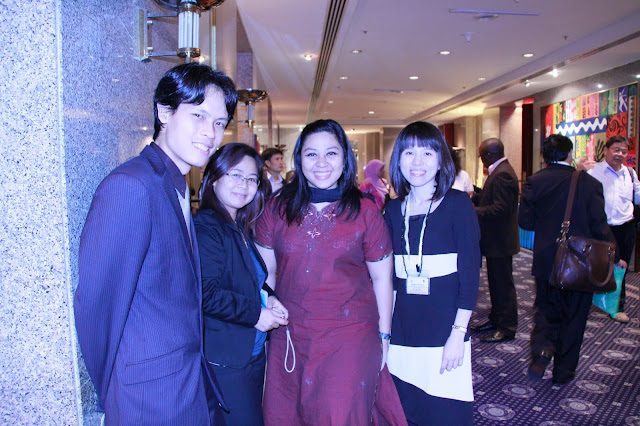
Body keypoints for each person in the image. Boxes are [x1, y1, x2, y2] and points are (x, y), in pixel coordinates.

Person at [74, 63, 237, 424]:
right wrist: (115, 392)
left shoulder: (174, 183)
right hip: (148, 398)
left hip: (186, 384)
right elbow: (98, 304)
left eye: (219, 123)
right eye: (198, 116)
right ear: (164, 112)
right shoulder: (131, 186)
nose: (210, 133)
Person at [255, 119, 406, 425]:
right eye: (311, 154)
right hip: (291, 332)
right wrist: (266, 310)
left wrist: (384, 336)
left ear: (345, 158)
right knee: (288, 414)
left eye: (331, 153)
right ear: (299, 159)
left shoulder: (365, 211)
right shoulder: (276, 209)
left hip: (350, 334)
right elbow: (265, 273)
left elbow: (382, 278)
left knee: (340, 413)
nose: (321, 163)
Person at [384, 121, 480, 425]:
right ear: (398, 159)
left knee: (444, 412)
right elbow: (390, 281)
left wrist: (458, 334)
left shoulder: (457, 204)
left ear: (440, 160)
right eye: (409, 152)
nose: (417, 162)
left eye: (427, 153)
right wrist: (384, 334)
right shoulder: (392, 210)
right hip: (403, 328)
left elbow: (470, 275)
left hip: (444, 329)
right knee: (404, 410)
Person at [194, 143, 289, 425]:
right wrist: (256, 314)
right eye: (235, 175)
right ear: (214, 178)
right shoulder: (207, 227)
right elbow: (205, 293)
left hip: (249, 354)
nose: (243, 185)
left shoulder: (238, 225)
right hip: (226, 361)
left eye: (251, 179)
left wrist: (269, 297)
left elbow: (247, 278)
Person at [519, 134, 618, 384]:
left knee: (546, 309)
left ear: (544, 156)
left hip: (547, 260)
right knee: (575, 317)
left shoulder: (535, 181)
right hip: (581, 261)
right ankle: (563, 372)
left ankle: (543, 350)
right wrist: (614, 254)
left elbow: (526, 222)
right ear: (570, 155)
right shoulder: (590, 184)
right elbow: (599, 225)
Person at [471, 138, 520, 343]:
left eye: (482, 156)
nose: (481, 160)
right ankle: (496, 319)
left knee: (503, 286)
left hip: (500, 241)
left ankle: (506, 327)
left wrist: (474, 211)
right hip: (496, 242)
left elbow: (501, 209)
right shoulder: (500, 171)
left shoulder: (502, 174)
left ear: (490, 155)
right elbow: (492, 200)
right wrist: (476, 196)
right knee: (496, 284)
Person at [586, 135, 640, 323]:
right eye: (616, 150)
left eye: (624, 151)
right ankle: (584, 303)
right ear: (606, 150)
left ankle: (617, 308)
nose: (620, 154)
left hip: (625, 227)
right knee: (594, 266)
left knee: (620, 269)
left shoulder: (630, 173)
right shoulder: (593, 171)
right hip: (600, 227)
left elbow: (637, 197)